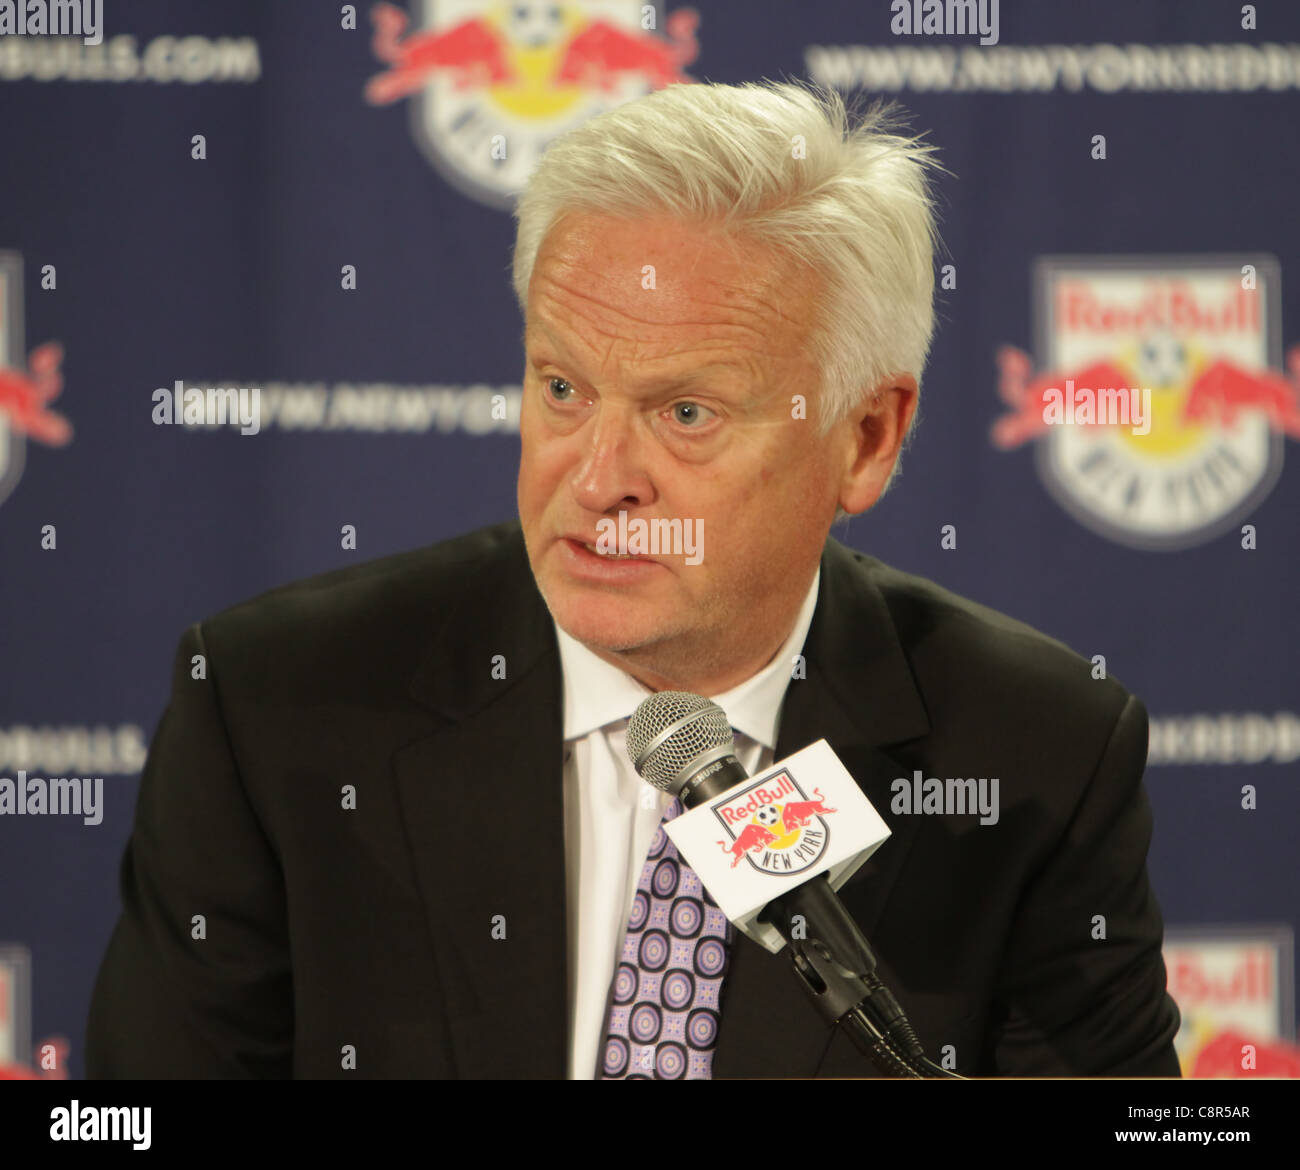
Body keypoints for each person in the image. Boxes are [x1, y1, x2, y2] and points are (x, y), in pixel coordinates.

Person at [86, 80, 1181, 1079]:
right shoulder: (278, 709)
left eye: (686, 413)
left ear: (865, 438)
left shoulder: (1030, 756)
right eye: (562, 387)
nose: (597, 479)